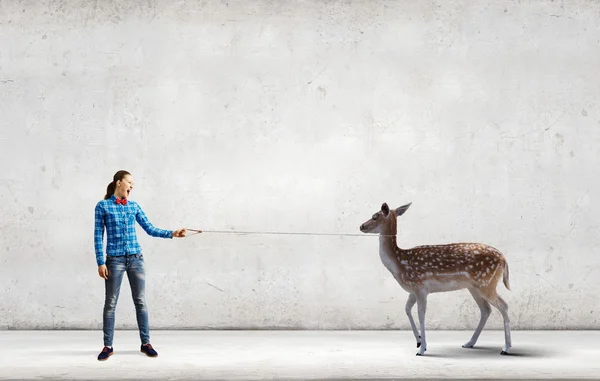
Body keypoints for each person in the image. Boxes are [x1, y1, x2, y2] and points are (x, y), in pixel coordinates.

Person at [94, 170, 188, 361]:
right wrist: (100, 262)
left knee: (141, 301)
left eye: (133, 183)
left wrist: (173, 233)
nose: (132, 186)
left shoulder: (134, 206)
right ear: (119, 182)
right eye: (130, 182)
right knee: (110, 303)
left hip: (136, 259)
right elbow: (97, 235)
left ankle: (146, 343)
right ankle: (108, 346)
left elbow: (150, 228)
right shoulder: (102, 206)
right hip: (114, 260)